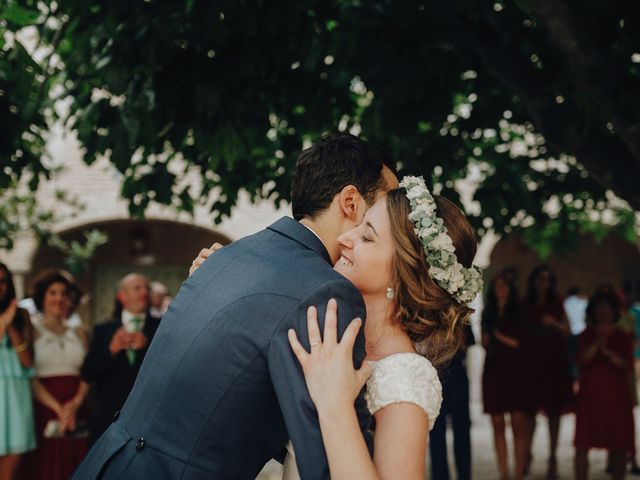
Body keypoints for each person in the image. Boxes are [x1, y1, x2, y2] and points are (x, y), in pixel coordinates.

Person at [72, 133, 398, 480]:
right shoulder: (324, 289)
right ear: (350, 201)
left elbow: (234, 397)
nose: (394, 212)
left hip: (109, 463)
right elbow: (324, 453)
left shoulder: (228, 256)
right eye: (386, 200)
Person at [285, 175, 482, 479]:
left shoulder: (404, 377)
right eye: (358, 227)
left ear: (401, 273)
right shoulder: (335, 339)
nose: (344, 239)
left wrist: (335, 403)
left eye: (367, 237)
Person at [81, 273, 160, 445]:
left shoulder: (161, 326)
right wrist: (111, 350)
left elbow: (168, 369)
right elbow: (88, 372)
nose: (144, 292)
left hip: (148, 416)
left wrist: (147, 348)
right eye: (137, 288)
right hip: (108, 418)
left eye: (147, 288)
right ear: (122, 296)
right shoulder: (103, 330)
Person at [27, 270, 90, 480]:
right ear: (42, 297)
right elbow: (29, 375)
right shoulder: (31, 330)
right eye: (52, 293)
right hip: (44, 409)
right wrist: (58, 409)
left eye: (64, 293)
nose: (59, 298)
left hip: (77, 410)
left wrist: (75, 403)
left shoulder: (80, 331)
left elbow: (87, 372)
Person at [574, 292, 635, 480]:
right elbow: (581, 361)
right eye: (599, 306)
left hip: (616, 397)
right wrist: (596, 346)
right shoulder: (586, 335)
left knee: (619, 445)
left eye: (606, 306)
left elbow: (627, 365)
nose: (603, 310)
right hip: (590, 397)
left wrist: (607, 353)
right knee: (582, 444)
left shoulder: (622, 336)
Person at [520, 265, 573, 479]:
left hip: (554, 364)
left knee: (554, 414)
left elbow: (568, 331)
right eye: (540, 278)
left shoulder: (557, 302)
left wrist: (553, 324)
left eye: (547, 279)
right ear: (533, 281)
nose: (543, 283)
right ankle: (527, 455)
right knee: (529, 414)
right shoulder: (525, 304)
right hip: (532, 364)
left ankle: (552, 457)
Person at [481, 272, 530, 480]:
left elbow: (522, 344)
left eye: (503, 285)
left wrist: (498, 336)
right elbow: (484, 343)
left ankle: (519, 473)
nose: (500, 289)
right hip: (494, 370)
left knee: (519, 424)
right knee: (497, 424)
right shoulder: (488, 313)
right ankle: (504, 473)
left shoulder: (519, 311)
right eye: (496, 285)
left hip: (516, 371)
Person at [0, 263, 36, 479]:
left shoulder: (21, 314)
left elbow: (27, 362)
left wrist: (11, 325)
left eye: (2, 281)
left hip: (16, 397)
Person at [430, 323, 475, 480]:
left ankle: (464, 475)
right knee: (436, 433)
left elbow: (467, 344)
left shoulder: (461, 318)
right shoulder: (429, 317)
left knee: (462, 430)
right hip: (435, 378)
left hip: (457, 377)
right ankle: (440, 476)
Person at [564, 286, 588, 378]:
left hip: (570, 333)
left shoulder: (565, 303)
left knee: (572, 357)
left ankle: (574, 375)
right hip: (582, 332)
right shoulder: (584, 302)